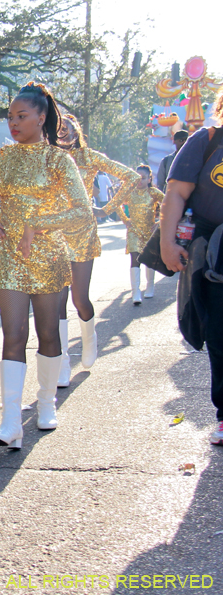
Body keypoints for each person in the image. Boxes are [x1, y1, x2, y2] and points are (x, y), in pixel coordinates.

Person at [0, 82, 91, 449]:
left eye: (21, 116)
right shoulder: (1, 158)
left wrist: (39, 225)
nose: (13, 122)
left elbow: (82, 211)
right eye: (10, 117)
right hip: (8, 256)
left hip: (50, 256)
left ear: (42, 118)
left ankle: (45, 403)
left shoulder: (58, 159)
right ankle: (10, 422)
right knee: (12, 336)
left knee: (49, 334)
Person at [160, 86, 223, 446]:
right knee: (218, 333)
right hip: (214, 253)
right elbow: (177, 193)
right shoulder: (207, 139)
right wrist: (168, 243)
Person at [59, 114, 140, 385]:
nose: (62, 133)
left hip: (82, 232)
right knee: (56, 300)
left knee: (79, 298)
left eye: (67, 128)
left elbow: (130, 177)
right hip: (52, 232)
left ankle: (89, 338)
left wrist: (105, 209)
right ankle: (61, 361)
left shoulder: (89, 157)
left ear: (76, 130)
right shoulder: (46, 157)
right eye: (58, 128)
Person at [95, 164, 163, 305]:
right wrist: (125, 220)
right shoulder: (129, 193)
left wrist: (159, 222)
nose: (140, 181)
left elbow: (168, 204)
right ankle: (136, 291)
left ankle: (150, 286)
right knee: (135, 258)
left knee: (149, 258)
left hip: (149, 230)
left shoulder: (154, 193)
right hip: (134, 231)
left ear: (149, 179)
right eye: (137, 178)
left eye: (143, 178)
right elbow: (116, 204)